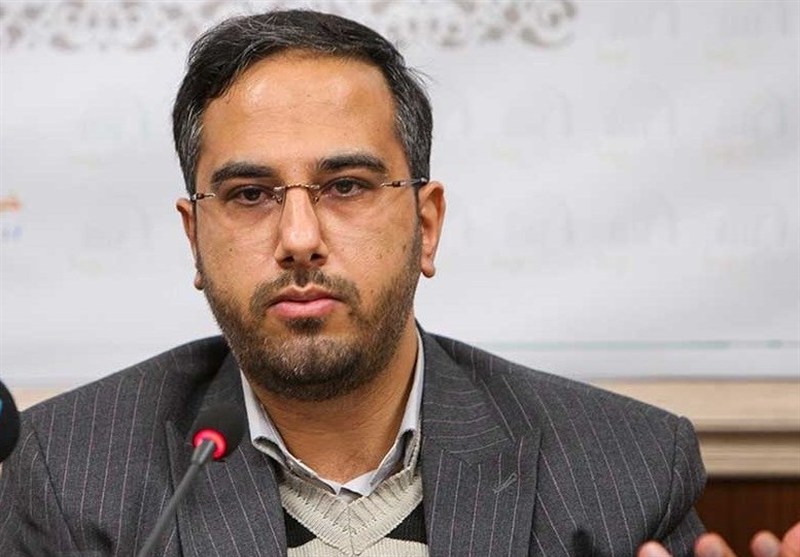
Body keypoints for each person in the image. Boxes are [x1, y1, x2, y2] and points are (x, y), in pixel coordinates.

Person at [0, 9, 796, 557]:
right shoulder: (72, 472)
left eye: (345, 186)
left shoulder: (622, 467)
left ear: (427, 223)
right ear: (195, 238)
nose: (299, 239)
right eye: (249, 195)